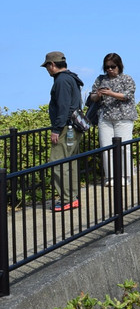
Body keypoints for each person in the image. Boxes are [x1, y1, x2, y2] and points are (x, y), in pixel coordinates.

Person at [42, 51, 84, 212]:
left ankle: (67, 199)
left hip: (65, 127)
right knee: (71, 163)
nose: (47, 70)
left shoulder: (61, 80)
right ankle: (72, 197)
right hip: (74, 126)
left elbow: (63, 107)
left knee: (57, 163)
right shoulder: (71, 78)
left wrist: (56, 129)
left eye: (47, 66)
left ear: (52, 64)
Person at [88, 53, 137, 186]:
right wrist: (98, 95)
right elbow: (92, 97)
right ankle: (110, 176)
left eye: (112, 66)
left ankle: (125, 175)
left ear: (119, 66)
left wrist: (111, 93)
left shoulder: (126, 78)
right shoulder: (100, 79)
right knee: (106, 147)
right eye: (107, 67)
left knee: (124, 148)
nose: (109, 69)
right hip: (105, 117)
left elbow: (128, 95)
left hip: (124, 117)